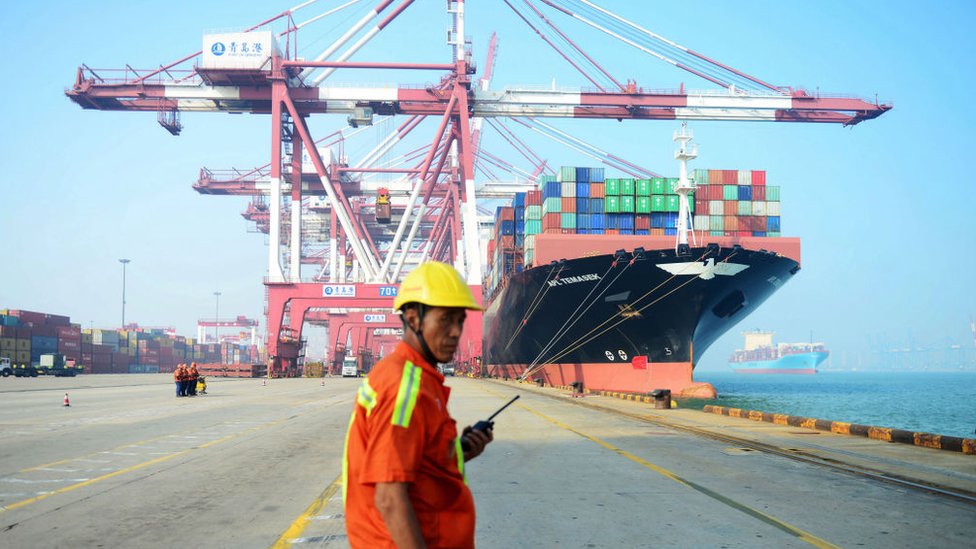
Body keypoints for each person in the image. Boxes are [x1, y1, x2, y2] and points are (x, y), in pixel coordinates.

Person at [343, 261, 492, 549]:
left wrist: (459, 451)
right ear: (413, 318)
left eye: (460, 321)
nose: (454, 332)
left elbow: (416, 463)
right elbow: (389, 495)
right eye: (445, 320)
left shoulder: (420, 379)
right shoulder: (403, 385)